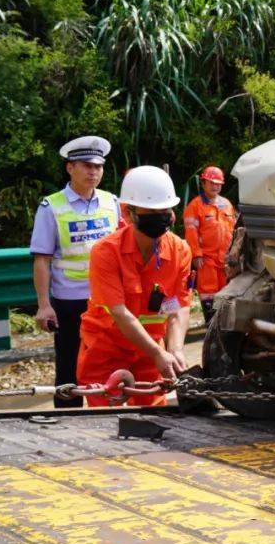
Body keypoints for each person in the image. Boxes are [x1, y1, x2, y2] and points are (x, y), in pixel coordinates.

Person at [77, 166, 192, 407]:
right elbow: (119, 312)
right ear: (128, 213)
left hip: (150, 354)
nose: (161, 216)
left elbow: (178, 307)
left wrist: (176, 349)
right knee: (104, 424)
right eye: (152, 211)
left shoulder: (180, 250)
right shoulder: (106, 252)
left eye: (166, 210)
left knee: (154, 419)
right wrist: (158, 353)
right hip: (106, 349)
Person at [30, 136, 120, 408]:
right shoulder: (52, 206)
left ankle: (104, 413)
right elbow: (42, 259)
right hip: (69, 302)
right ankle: (67, 421)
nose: (93, 172)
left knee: (107, 362)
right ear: (70, 168)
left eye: (98, 166)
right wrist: (44, 305)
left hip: (106, 300)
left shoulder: (111, 202)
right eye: (86, 165)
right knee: (69, 365)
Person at [183, 166, 237, 320]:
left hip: (225, 259)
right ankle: (210, 323)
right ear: (203, 183)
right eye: (211, 183)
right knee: (208, 292)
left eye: (218, 183)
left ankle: (222, 323)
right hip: (206, 258)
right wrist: (196, 254)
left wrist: (234, 253)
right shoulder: (195, 206)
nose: (215, 186)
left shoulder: (227, 204)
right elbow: (191, 232)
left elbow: (234, 231)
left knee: (225, 292)